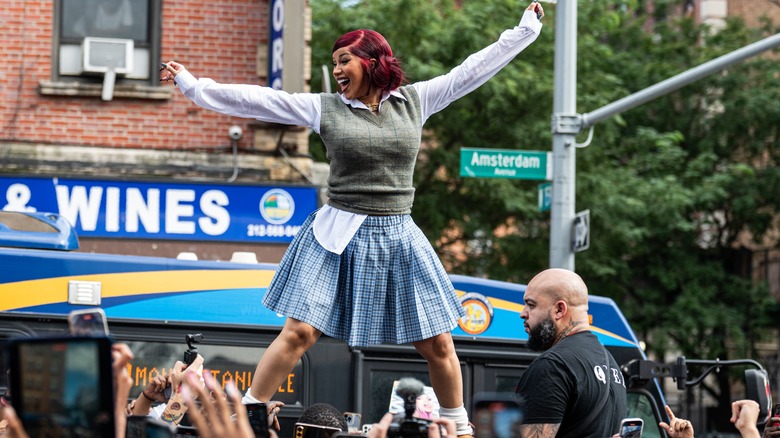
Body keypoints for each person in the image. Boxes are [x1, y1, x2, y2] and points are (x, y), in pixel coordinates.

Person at [161, 3, 544, 436]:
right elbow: (260, 100)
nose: (338, 69)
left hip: (398, 232)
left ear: (372, 60)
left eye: (344, 60)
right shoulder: (325, 108)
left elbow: (472, 70)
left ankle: (458, 426)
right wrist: (193, 85)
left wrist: (524, 30)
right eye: (334, 63)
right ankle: (248, 411)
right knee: (300, 333)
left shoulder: (416, 101)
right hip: (337, 232)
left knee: (439, 341)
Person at [514, 268, 627, 437]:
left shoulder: (552, 366)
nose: (523, 313)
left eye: (531, 305)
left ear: (560, 310)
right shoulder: (611, 364)